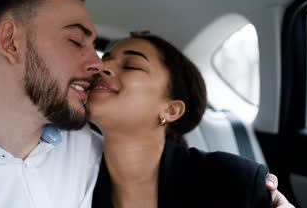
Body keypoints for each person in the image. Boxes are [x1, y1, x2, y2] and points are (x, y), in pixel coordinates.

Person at [0, 0, 292, 208]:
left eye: (103, 50)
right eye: (77, 42)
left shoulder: (91, 151)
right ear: (11, 42)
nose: (98, 64)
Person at [87, 32, 294, 208]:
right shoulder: (73, 175)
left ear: (171, 110)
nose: (101, 67)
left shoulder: (232, 181)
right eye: (103, 59)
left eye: (132, 65)